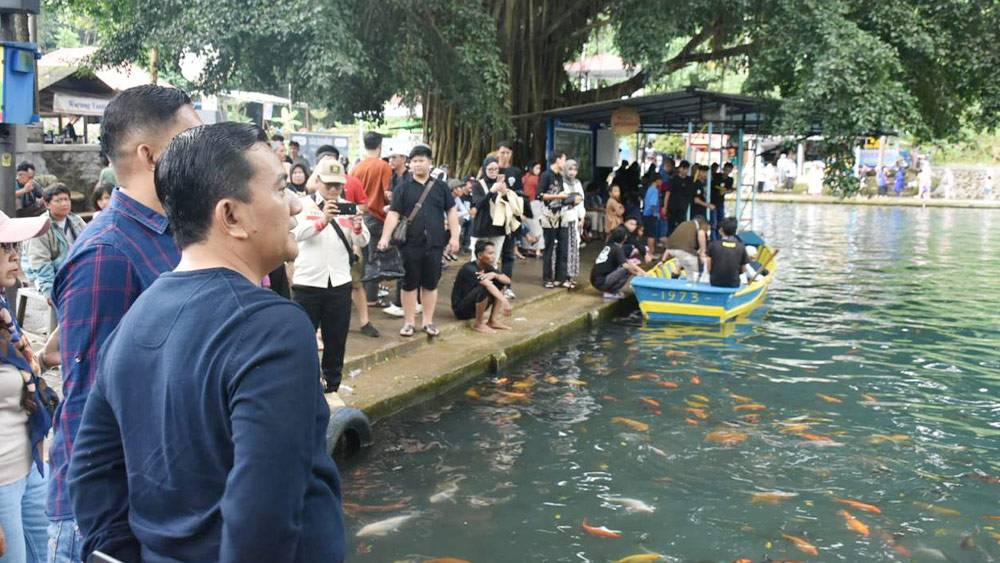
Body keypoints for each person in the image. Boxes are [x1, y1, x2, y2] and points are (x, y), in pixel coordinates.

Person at [67, 122, 345, 563]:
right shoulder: (273, 328)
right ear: (230, 216)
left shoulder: (135, 319)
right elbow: (261, 520)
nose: (295, 205)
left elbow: (91, 475)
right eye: (279, 189)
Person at [47, 85, 202, 563]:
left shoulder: (174, 234)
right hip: (105, 517)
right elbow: (89, 400)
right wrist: (108, 532)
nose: (206, 156)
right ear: (149, 156)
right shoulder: (107, 253)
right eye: (191, 142)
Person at [293, 158, 373, 392]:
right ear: (318, 182)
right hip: (307, 282)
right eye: (329, 184)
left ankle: (332, 386)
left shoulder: (349, 207)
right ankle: (303, 384)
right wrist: (323, 221)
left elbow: (362, 240)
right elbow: (295, 233)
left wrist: (357, 226)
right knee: (302, 339)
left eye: (338, 185)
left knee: (336, 340)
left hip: (339, 282)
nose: (334, 190)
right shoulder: (303, 205)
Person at [0, 210, 53, 563]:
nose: (15, 255)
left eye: (15, 246)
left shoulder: (3, 310)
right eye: (4, 247)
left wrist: (43, 359)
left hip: (29, 466)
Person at [376, 145, 459, 337]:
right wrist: (385, 237)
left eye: (421, 160)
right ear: (409, 164)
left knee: (430, 283)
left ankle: (428, 322)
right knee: (409, 283)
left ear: (430, 163)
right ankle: (409, 322)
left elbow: (451, 211)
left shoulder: (440, 187)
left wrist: (454, 237)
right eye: (414, 161)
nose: (417, 164)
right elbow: (394, 214)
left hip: (435, 243)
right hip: (410, 243)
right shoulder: (403, 187)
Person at [25, 184, 87, 298]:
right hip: (47, 276)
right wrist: (49, 289)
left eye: (66, 199)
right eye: (58, 200)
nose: (64, 204)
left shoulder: (76, 221)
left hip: (73, 272)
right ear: (47, 204)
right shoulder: (41, 226)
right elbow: (40, 261)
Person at [451, 240, 513, 334]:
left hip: (474, 306)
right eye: (490, 253)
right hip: (461, 310)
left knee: (500, 283)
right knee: (483, 288)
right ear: (480, 255)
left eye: (494, 253)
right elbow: (487, 285)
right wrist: (505, 301)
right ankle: (478, 323)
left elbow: (507, 280)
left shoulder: (488, 267)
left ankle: (493, 320)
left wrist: (495, 275)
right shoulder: (469, 268)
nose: (493, 256)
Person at [538, 151, 571, 288]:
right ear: (557, 160)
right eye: (564, 159)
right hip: (549, 214)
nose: (565, 163)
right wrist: (558, 197)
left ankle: (560, 277)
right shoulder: (546, 175)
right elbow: (540, 195)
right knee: (549, 247)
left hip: (561, 213)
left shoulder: (560, 176)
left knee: (563, 246)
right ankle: (547, 278)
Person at [590, 227, 646, 299]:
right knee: (626, 270)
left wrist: (643, 273)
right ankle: (610, 292)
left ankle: (610, 290)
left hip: (595, 280)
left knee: (627, 266)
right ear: (624, 238)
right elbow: (626, 266)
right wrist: (636, 274)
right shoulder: (617, 249)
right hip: (602, 282)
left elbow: (627, 261)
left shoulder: (609, 245)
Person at [662, 215, 712, 281]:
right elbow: (701, 234)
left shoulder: (685, 225)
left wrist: (663, 261)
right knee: (694, 274)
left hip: (673, 250)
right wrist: (703, 251)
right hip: (685, 252)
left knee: (682, 255)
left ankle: (676, 274)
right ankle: (693, 284)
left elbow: (670, 247)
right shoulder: (702, 224)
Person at [704, 217, 748, 288]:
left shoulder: (713, 245)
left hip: (715, 282)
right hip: (734, 283)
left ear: (721, 230)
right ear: (735, 231)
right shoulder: (741, 247)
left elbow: (708, 266)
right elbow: (743, 269)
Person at [563, 159, 586, 287]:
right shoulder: (561, 183)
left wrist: (582, 217)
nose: (572, 172)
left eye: (575, 170)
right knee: (565, 248)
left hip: (575, 219)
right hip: (564, 219)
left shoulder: (577, 183)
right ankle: (563, 276)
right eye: (570, 169)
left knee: (574, 247)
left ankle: (571, 275)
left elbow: (581, 201)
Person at [665, 160, 693, 234]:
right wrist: (665, 206)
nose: (685, 171)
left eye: (686, 169)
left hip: (683, 208)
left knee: (682, 226)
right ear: (680, 168)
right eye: (683, 168)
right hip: (673, 207)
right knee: (671, 226)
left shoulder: (689, 180)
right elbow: (668, 193)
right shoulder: (673, 179)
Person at [642, 172, 662, 252]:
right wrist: (655, 213)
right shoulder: (655, 190)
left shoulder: (649, 189)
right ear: (657, 180)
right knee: (651, 235)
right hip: (651, 215)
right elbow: (653, 204)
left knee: (649, 235)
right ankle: (651, 252)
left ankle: (650, 252)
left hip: (646, 214)